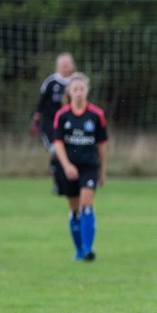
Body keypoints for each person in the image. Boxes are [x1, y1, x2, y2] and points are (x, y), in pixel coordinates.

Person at [49, 73, 108, 261]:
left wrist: (103, 169)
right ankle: (79, 250)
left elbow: (102, 145)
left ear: (87, 91)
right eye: (75, 89)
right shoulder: (62, 115)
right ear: (70, 92)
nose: (79, 92)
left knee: (86, 204)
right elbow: (58, 143)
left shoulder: (97, 115)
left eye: (82, 89)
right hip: (68, 168)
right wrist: (66, 165)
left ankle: (88, 249)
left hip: (89, 166)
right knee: (74, 208)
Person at [32, 52, 75, 149]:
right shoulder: (50, 82)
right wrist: (36, 118)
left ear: (72, 65)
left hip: (71, 121)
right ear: (57, 66)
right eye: (62, 64)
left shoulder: (77, 81)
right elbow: (42, 101)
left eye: (67, 64)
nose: (65, 66)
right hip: (51, 121)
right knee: (54, 148)